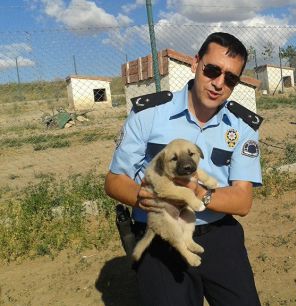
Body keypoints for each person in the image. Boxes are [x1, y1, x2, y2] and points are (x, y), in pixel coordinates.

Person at [104, 32, 262, 306]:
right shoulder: (149, 114)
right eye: (212, 70)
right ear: (196, 63)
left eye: (230, 78)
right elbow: (115, 181)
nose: (218, 83)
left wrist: (198, 192)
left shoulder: (242, 127)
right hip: (161, 239)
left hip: (219, 235)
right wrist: (144, 197)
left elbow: (242, 201)